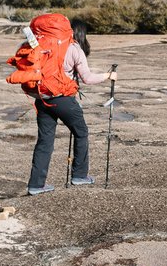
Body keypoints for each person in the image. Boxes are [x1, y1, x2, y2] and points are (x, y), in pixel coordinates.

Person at [27, 18, 116, 195]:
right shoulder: (74, 48)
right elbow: (88, 78)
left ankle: (36, 185)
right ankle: (80, 175)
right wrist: (108, 75)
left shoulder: (44, 45)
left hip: (42, 97)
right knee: (81, 132)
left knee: (45, 141)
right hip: (62, 99)